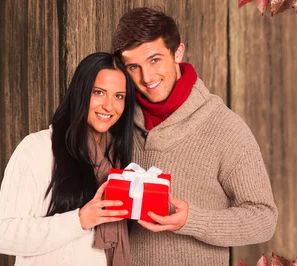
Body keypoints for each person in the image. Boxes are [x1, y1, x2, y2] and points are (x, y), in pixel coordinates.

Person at [111, 7, 278, 266]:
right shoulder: (116, 119)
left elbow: (263, 219)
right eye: (134, 66)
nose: (146, 77)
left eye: (155, 60)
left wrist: (192, 221)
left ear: (178, 52)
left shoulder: (225, 128)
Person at [0, 52, 136, 266]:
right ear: (80, 93)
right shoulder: (39, 149)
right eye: (98, 92)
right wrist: (79, 221)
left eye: (119, 96)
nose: (109, 106)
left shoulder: (117, 161)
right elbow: (2, 235)